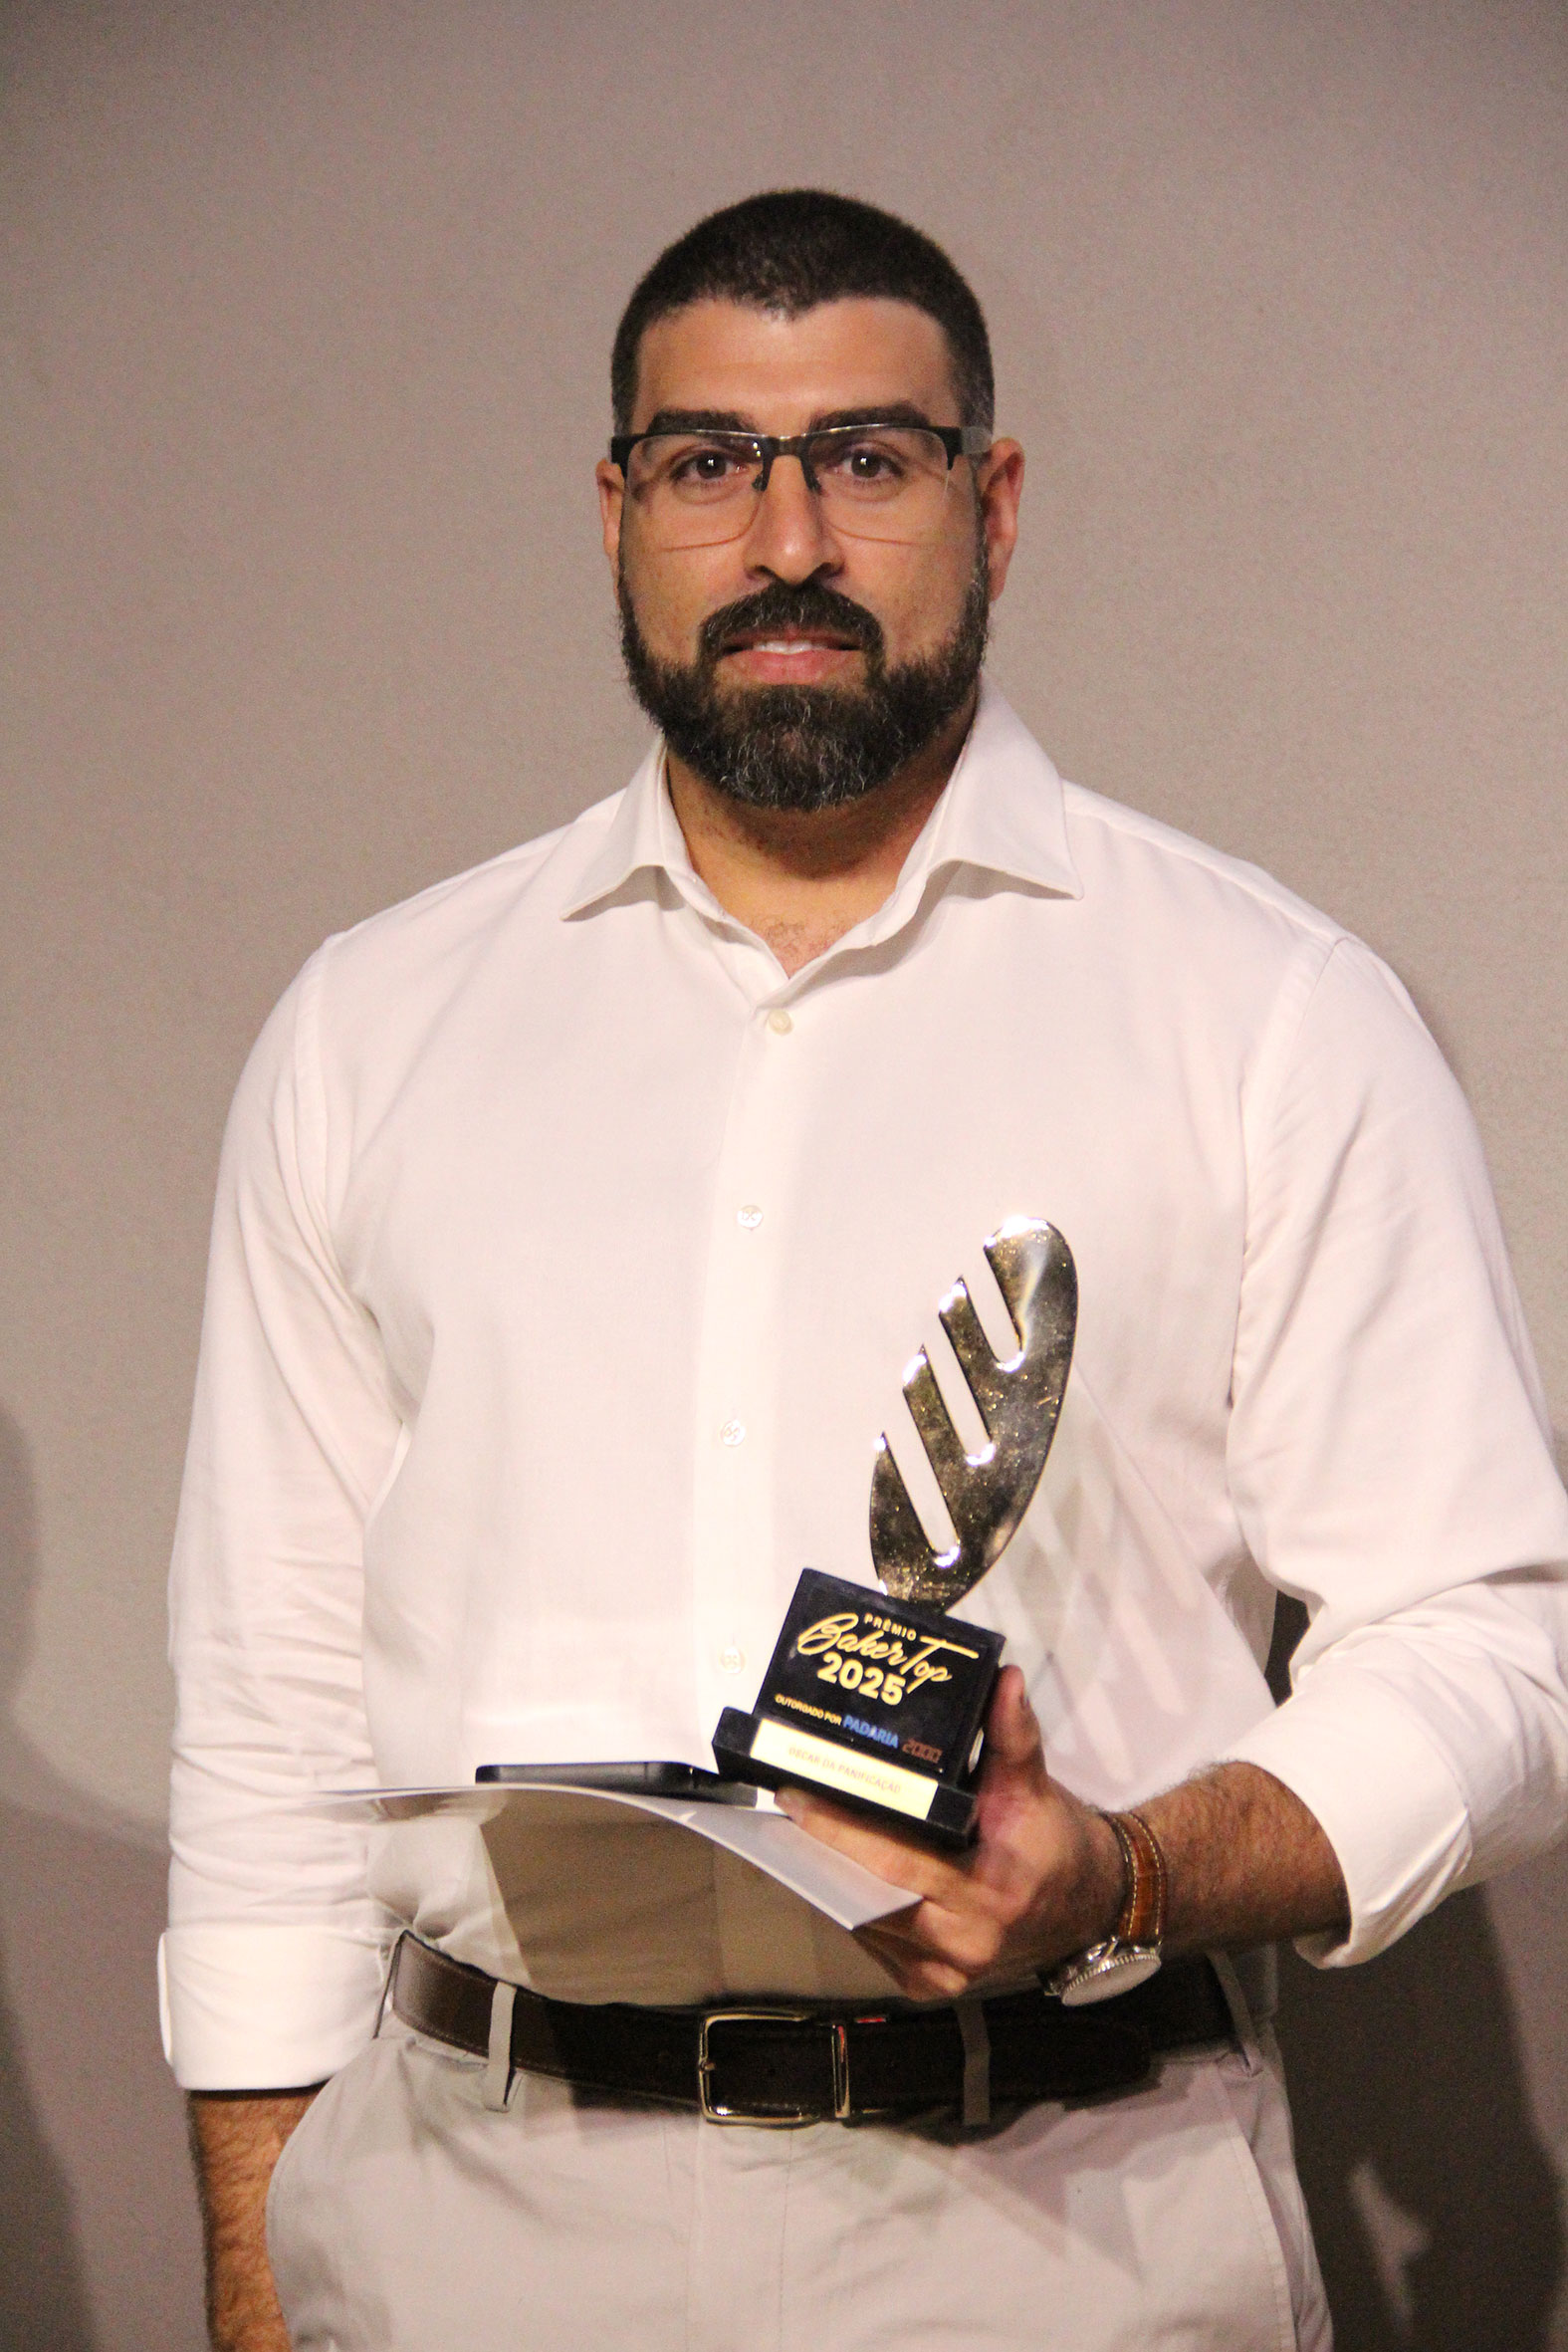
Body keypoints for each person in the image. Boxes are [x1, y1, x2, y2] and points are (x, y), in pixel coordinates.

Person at [165, 190, 1568, 2352]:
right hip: (465, 2240)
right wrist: (259, 2288)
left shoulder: (1264, 1010)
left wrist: (1127, 1871)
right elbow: (270, 1727)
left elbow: (1490, 1638)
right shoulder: (375, 1024)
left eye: (867, 457)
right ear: (618, 511)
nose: (787, 538)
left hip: (1061, 2242)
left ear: (989, 504)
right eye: (709, 461)